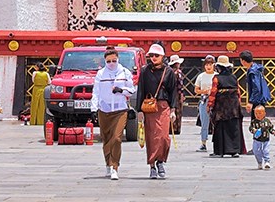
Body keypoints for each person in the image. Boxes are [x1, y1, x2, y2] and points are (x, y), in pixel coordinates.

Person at [136, 43, 182, 180]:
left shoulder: (168, 72)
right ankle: (152, 165)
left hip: (163, 106)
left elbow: (173, 91)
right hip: (149, 107)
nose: (154, 58)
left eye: (157, 55)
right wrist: (139, 110)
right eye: (152, 55)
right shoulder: (145, 71)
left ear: (162, 56)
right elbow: (141, 90)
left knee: (163, 137)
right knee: (151, 138)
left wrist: (173, 109)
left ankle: (161, 161)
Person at [92, 47, 133, 180]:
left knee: (117, 138)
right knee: (106, 139)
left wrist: (121, 90)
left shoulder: (125, 72)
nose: (111, 63)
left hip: (120, 109)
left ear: (118, 59)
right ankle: (108, 164)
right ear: (105, 61)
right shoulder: (101, 74)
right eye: (108, 61)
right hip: (104, 109)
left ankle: (115, 166)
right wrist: (93, 109)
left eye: (114, 60)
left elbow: (131, 90)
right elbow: (96, 92)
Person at [209, 56, 243, 157]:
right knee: (234, 127)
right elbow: (238, 93)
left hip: (221, 107)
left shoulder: (216, 78)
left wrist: (210, 105)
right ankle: (235, 150)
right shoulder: (234, 77)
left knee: (220, 127)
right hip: (233, 106)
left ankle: (220, 151)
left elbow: (213, 93)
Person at [193, 58, 218, 153]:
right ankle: (203, 143)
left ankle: (217, 143)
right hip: (204, 99)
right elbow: (196, 90)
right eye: (207, 64)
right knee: (204, 122)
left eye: (210, 64)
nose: (208, 66)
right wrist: (204, 91)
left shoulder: (217, 76)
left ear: (214, 65)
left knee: (216, 122)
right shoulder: (201, 76)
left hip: (215, 99)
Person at [249, 104, 275, 170]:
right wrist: (253, 130)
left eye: (260, 113)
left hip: (266, 139)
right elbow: (250, 128)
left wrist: (273, 131)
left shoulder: (267, 121)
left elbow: (270, 128)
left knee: (266, 150)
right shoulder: (254, 122)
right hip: (257, 140)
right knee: (256, 151)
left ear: (264, 113)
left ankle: (267, 162)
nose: (258, 115)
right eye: (256, 113)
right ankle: (259, 162)